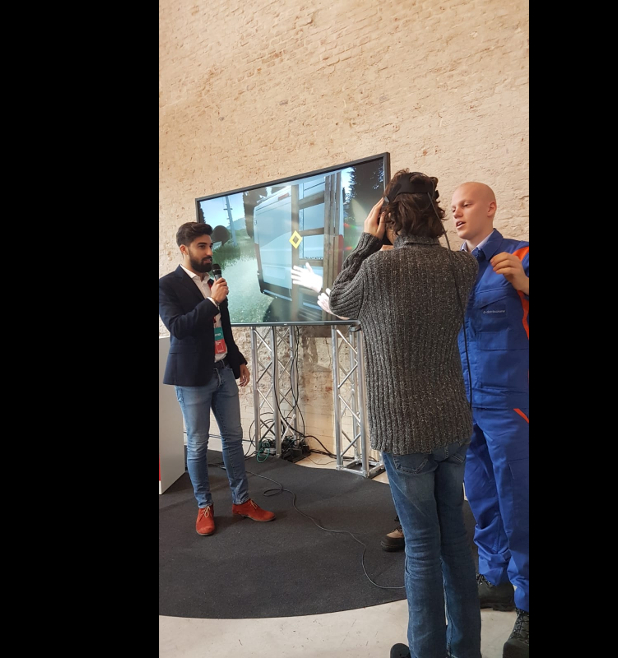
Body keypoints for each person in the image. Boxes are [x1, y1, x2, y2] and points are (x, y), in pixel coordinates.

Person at [328, 170, 480, 658]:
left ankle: (427, 652)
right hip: (452, 423)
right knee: (455, 542)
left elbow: (335, 300)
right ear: (435, 214)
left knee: (421, 547)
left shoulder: (379, 268)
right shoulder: (462, 266)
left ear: (389, 216)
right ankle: (466, 650)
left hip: (404, 429)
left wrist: (367, 241)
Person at [451, 182, 530, 658]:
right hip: (467, 403)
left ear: (491, 207)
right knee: (481, 496)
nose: (456, 212)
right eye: (453, 207)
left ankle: (529, 602)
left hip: (510, 403)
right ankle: (496, 576)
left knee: (519, 501)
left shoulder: (521, 254)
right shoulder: (454, 269)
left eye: (466, 204)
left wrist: (525, 284)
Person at [159, 221, 276, 536]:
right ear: (184, 249)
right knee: (198, 444)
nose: (209, 252)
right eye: (202, 246)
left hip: (223, 371)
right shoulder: (167, 285)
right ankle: (204, 506)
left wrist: (238, 361)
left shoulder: (213, 282)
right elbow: (178, 327)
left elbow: (223, 328)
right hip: (192, 378)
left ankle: (242, 501)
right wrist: (211, 301)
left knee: (234, 439)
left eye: (210, 245)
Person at [291, 255, 407, 554]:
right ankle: (411, 524)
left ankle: (414, 528)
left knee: (410, 467)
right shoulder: (380, 269)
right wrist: (323, 289)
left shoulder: (388, 267)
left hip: (408, 393)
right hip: (395, 390)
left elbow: (348, 305)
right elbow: (349, 307)